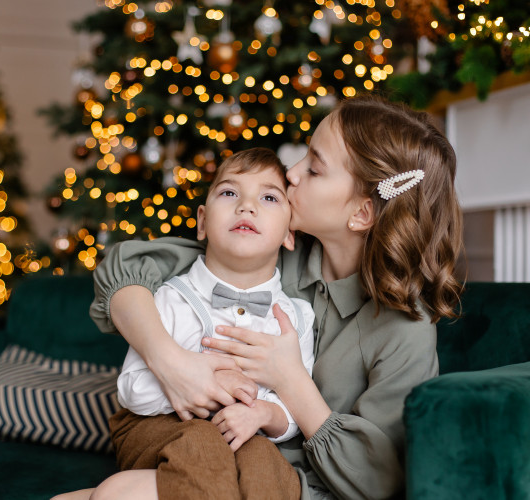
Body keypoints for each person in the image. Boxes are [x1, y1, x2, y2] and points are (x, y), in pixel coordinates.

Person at [87, 94, 463, 499]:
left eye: (314, 169)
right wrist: (171, 361)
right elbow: (125, 269)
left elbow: (380, 480)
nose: (292, 173)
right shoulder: (277, 253)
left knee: (121, 493)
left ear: (361, 213)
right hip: (220, 454)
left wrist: (289, 380)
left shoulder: (406, 330)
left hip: (299, 486)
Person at [54, 148, 314, 500]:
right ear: (203, 222)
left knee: (265, 459)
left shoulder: (297, 316)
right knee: (201, 440)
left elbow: (296, 409)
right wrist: (209, 388)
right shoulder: (167, 297)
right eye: (229, 192)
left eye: (269, 197)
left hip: (246, 435)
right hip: (154, 428)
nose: (247, 205)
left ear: (289, 234)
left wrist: (265, 414)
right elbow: (132, 390)